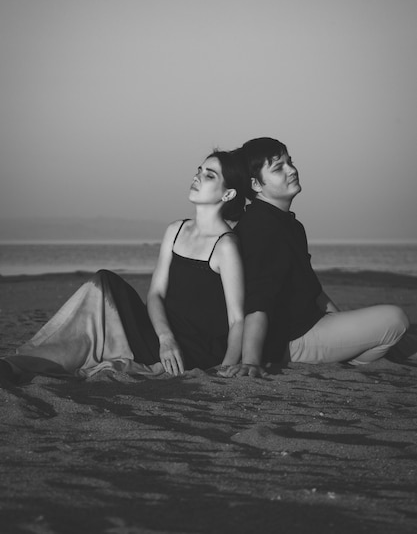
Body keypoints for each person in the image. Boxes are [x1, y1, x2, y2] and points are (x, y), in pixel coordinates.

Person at [0, 150, 248, 382]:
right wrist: (165, 337)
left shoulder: (226, 246)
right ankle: (28, 361)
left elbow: (237, 319)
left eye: (209, 175)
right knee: (104, 281)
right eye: (199, 170)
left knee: (100, 307)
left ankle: (25, 364)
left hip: (191, 349)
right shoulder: (176, 230)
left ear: (228, 194)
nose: (197, 177)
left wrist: (223, 368)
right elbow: (155, 294)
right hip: (161, 335)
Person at [226, 137, 411, 378]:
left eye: (289, 162)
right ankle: (356, 356)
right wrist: (251, 360)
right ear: (256, 184)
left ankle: (361, 351)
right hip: (291, 340)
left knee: (403, 338)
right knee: (396, 319)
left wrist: (339, 320)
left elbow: (313, 290)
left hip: (313, 325)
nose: (292, 170)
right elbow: (257, 299)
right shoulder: (260, 227)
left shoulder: (289, 225)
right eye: (278, 167)